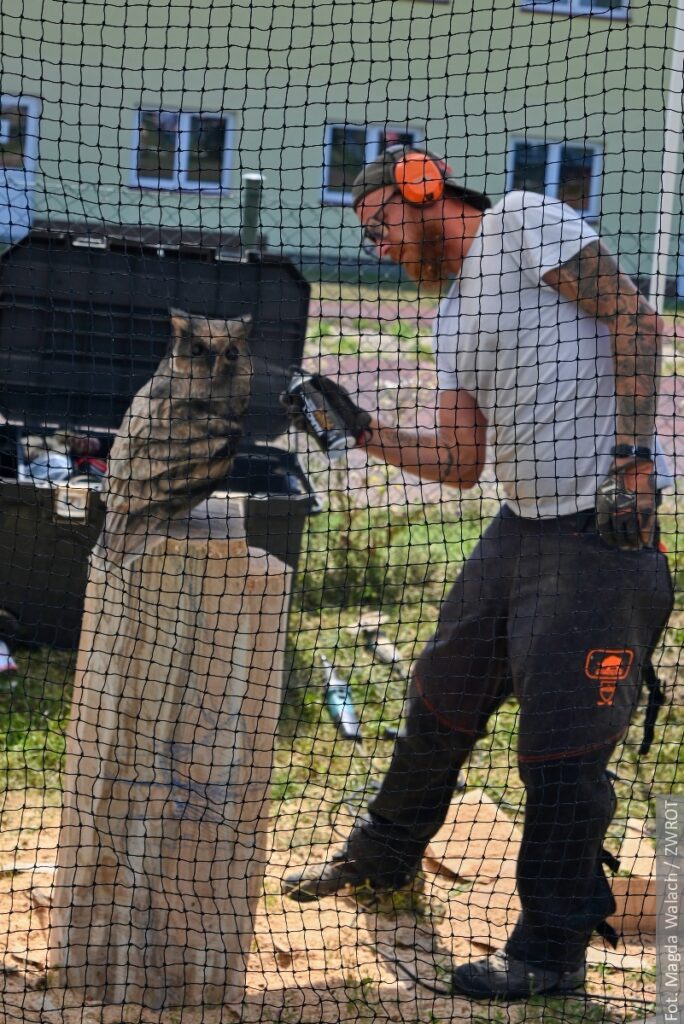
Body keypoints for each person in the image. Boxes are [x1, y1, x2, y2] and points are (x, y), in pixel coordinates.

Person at [280, 145, 674, 1000]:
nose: (379, 244)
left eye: (381, 222)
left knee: (561, 754)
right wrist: (360, 431)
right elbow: (462, 463)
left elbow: (636, 320)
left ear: (423, 188)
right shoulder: (451, 319)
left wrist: (634, 462)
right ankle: (385, 854)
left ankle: (551, 950)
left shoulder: (523, 223)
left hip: (601, 532)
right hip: (521, 529)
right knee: (441, 692)